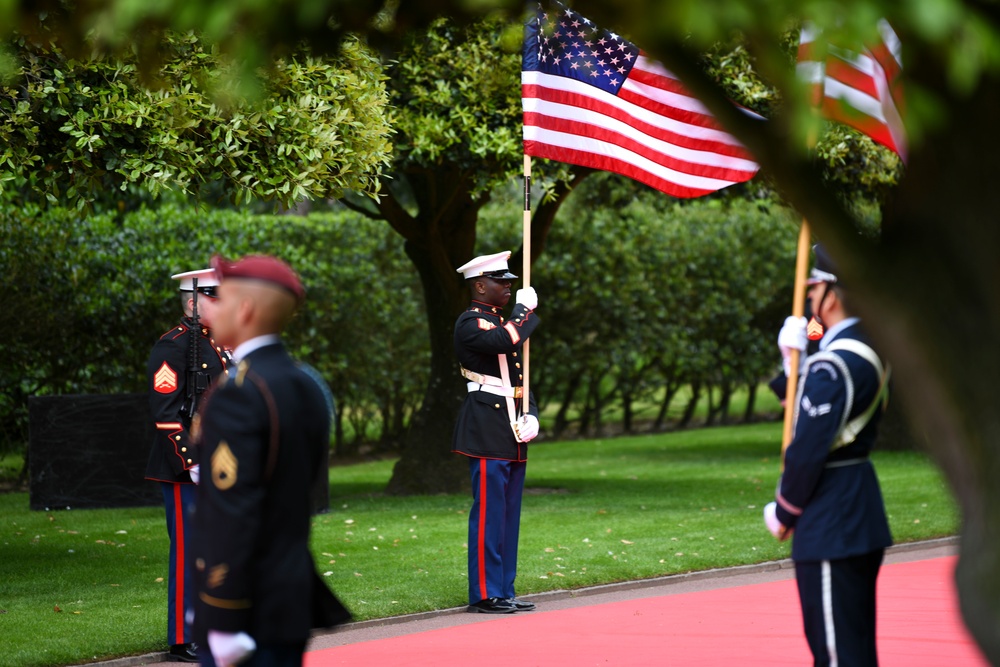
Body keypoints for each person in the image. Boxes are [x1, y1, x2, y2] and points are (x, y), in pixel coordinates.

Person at [192, 254, 349, 667]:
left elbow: (233, 509)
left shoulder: (238, 391)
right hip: (288, 598)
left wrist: (222, 615)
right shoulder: (306, 383)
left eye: (220, 299)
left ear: (244, 309)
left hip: (246, 608)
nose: (211, 308)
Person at [764, 244, 893, 666]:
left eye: (814, 287)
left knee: (836, 653)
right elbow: (802, 395)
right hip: (857, 508)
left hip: (830, 515)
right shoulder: (862, 350)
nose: (809, 297)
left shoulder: (832, 365)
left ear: (831, 296)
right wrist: (793, 364)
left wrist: (785, 512)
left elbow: (807, 447)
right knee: (854, 647)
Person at [146, 268, 230, 663]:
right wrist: (191, 461)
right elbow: (166, 415)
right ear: (194, 302)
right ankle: (182, 636)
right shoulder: (172, 347)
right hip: (184, 469)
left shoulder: (219, 346)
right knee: (188, 550)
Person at [452, 250, 541, 614]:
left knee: (508, 514)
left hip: (511, 427)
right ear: (479, 285)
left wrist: (532, 413)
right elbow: (504, 342)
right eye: (500, 282)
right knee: (490, 513)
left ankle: (504, 588)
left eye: (509, 282)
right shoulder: (470, 323)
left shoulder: (503, 323)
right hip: (487, 425)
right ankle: (486, 593)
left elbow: (519, 377)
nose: (507, 287)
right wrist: (523, 313)